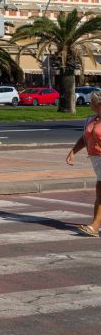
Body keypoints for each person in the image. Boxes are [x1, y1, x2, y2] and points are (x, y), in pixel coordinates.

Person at [63, 90, 101, 237]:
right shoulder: (91, 119)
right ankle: (95, 225)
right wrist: (73, 151)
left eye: (91, 101)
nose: (89, 103)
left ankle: (94, 226)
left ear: (99, 104)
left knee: (100, 191)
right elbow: (85, 137)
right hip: (96, 161)